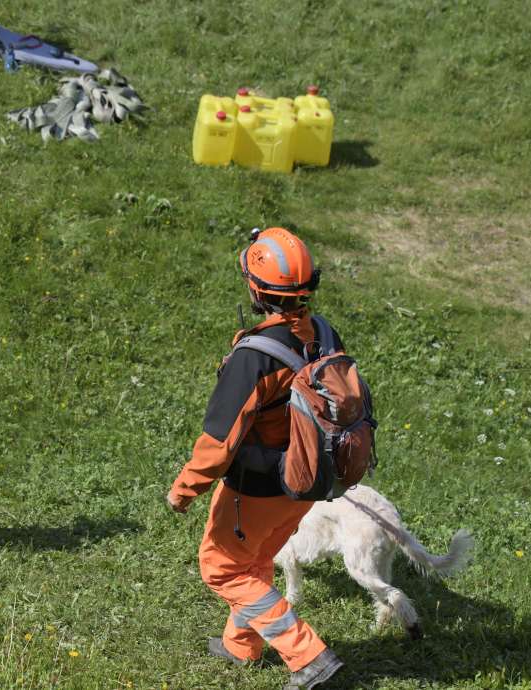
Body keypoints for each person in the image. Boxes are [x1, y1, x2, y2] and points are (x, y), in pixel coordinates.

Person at [167, 227, 345, 689]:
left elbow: (219, 442)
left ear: (255, 288)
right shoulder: (323, 332)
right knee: (256, 558)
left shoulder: (255, 358)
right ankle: (240, 645)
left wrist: (184, 490)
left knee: (223, 567)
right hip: (307, 480)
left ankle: (308, 656)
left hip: (258, 487)